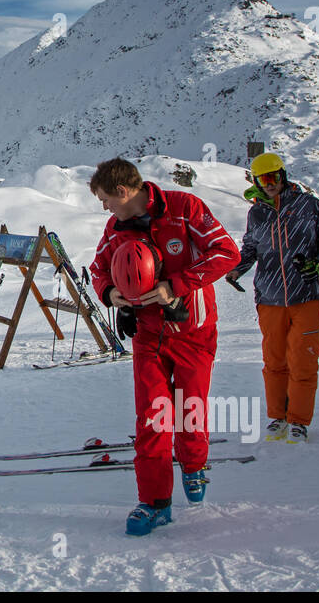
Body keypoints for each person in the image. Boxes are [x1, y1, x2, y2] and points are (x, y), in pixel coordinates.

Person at [87, 158, 240, 537]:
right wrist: (111, 294)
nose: (104, 207)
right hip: (147, 336)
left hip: (193, 331)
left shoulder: (184, 209)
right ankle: (154, 503)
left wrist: (176, 284)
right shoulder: (115, 227)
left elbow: (226, 254)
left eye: (106, 199)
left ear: (123, 192)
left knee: (190, 410)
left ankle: (193, 465)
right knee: (152, 420)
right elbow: (98, 268)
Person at [226, 152, 319, 445]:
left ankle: (299, 421)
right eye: (263, 179)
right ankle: (278, 416)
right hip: (270, 297)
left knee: (303, 360)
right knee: (274, 361)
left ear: (283, 175)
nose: (269, 183)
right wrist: (237, 268)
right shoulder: (257, 213)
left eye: (273, 177)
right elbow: (250, 247)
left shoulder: (308, 205)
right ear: (256, 182)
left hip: (308, 294)